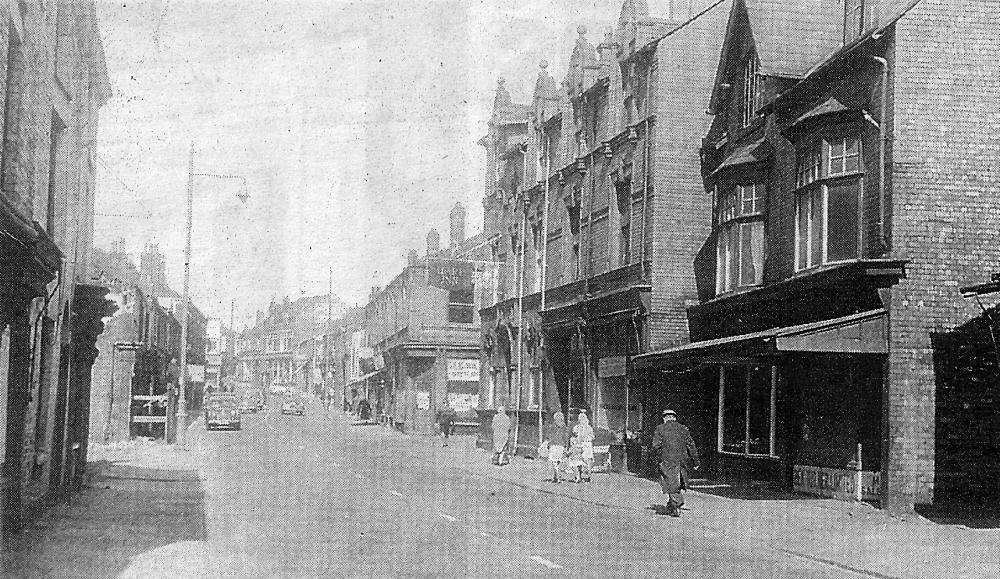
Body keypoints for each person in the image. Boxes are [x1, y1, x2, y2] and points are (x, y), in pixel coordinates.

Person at [651, 409, 699, 517]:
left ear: (665, 418)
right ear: (674, 418)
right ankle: (671, 505)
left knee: (670, 482)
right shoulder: (683, 429)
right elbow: (691, 445)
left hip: (667, 460)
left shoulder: (660, 429)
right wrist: (696, 461)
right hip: (682, 461)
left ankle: (677, 505)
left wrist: (657, 458)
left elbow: (655, 446)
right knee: (676, 482)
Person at [544, 411, 568, 483]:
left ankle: (557, 476)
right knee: (558, 462)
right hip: (561, 445)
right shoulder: (564, 427)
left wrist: (547, 444)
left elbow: (549, 436)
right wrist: (566, 446)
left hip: (553, 445)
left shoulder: (552, 426)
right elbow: (565, 437)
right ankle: (555, 476)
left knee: (553, 461)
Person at [572, 410, 595, 483]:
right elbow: (593, 437)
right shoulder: (589, 428)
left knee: (579, 461)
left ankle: (579, 476)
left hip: (581, 444)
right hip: (588, 445)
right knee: (588, 461)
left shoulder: (576, 427)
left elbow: (574, 435)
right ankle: (588, 477)